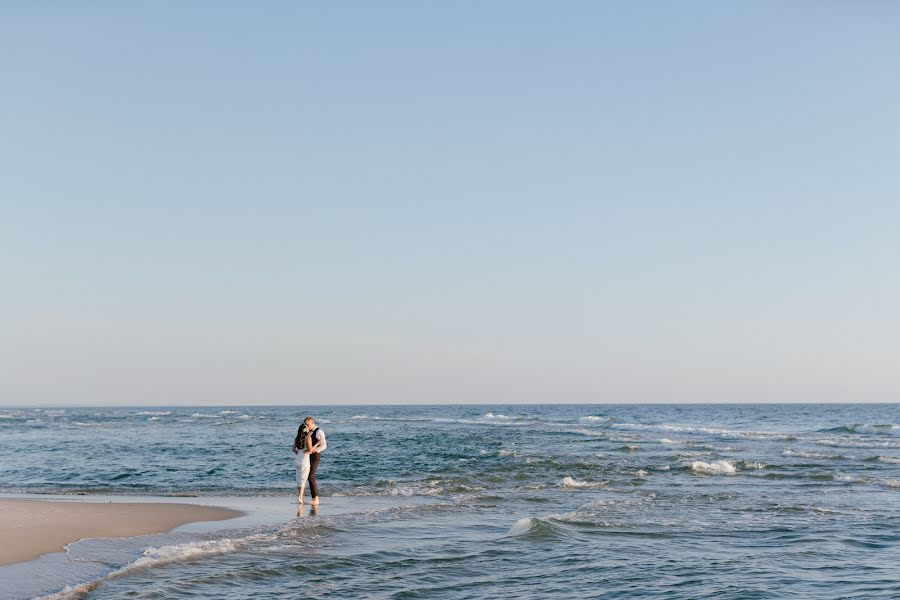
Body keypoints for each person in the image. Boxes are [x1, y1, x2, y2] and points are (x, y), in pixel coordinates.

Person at [303, 416, 326, 505]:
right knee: (307, 476)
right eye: (305, 425)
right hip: (308, 455)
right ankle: (313, 498)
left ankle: (316, 499)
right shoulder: (308, 432)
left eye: (307, 424)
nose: (306, 426)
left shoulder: (319, 432)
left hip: (315, 455)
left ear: (312, 423)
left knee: (311, 476)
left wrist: (314, 450)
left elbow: (324, 446)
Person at [292, 424, 312, 503]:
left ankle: (300, 497)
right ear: (306, 430)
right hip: (304, 460)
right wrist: (317, 444)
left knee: (299, 480)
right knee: (303, 480)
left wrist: (298, 454)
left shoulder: (297, 438)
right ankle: (300, 497)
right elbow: (310, 450)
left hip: (298, 460)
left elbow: (293, 449)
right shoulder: (308, 438)